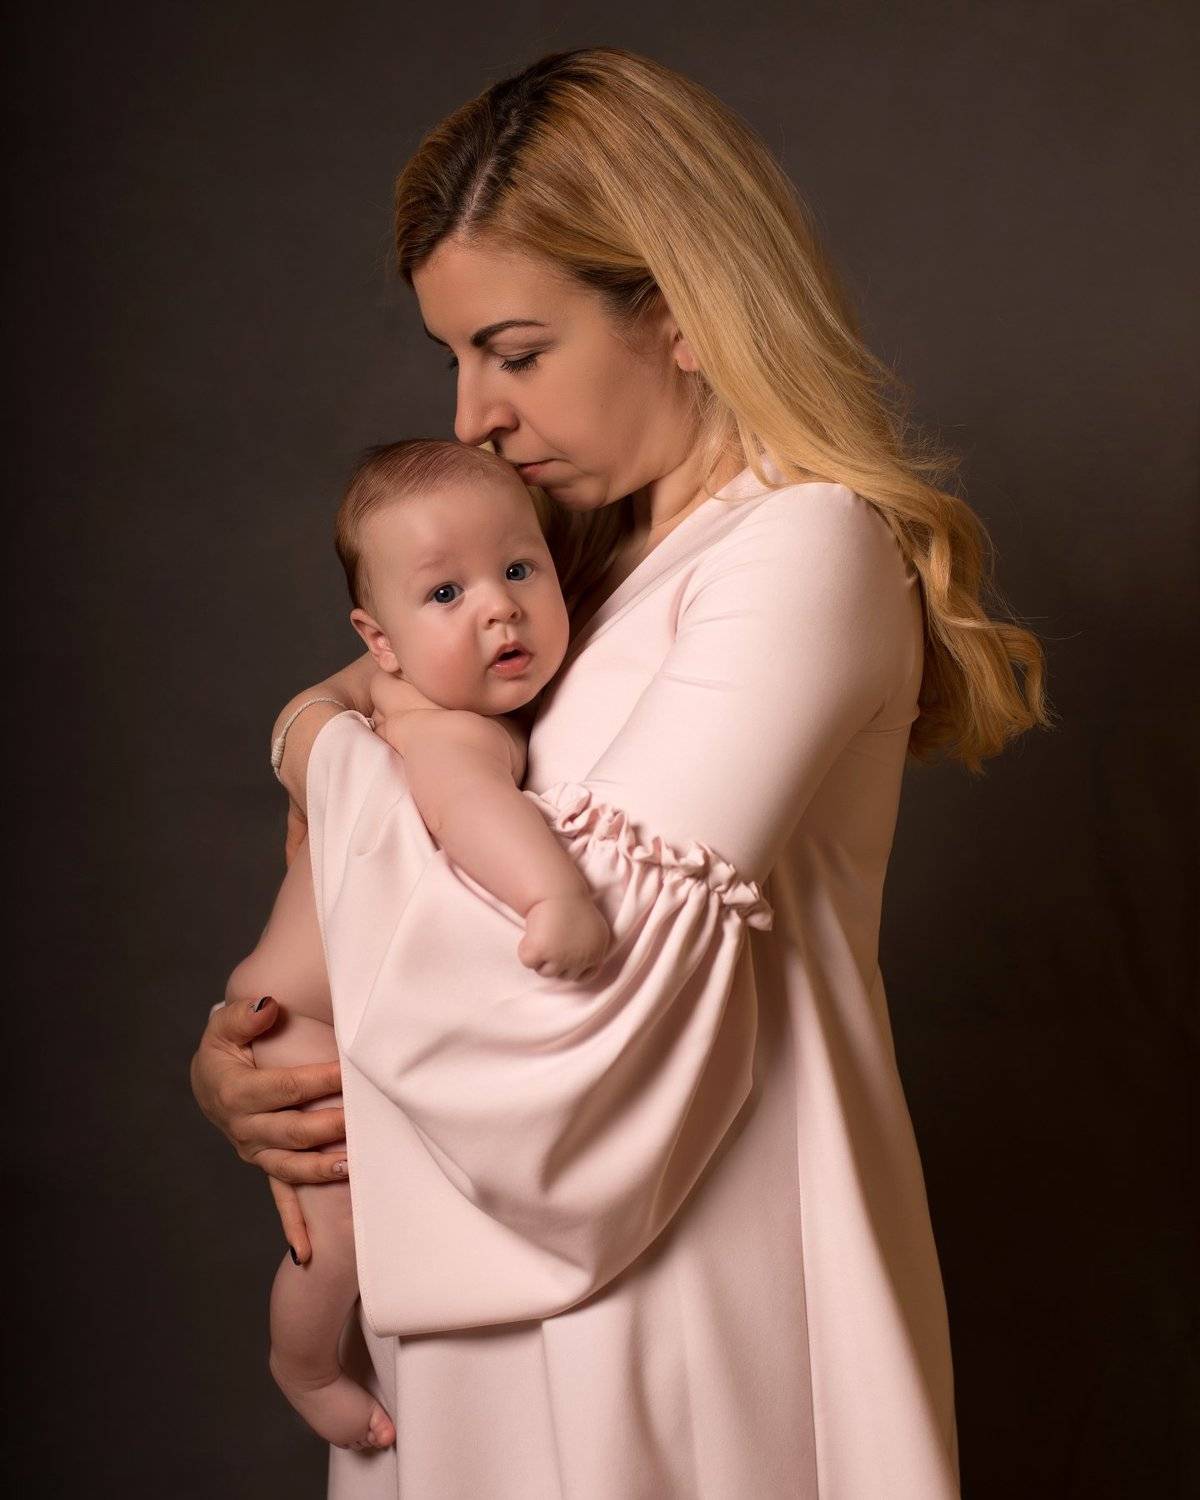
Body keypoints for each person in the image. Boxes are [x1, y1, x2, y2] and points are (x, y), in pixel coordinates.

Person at [191, 45, 1050, 1499]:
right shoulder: (560, 576)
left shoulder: (800, 552)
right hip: (484, 1319)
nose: (473, 417)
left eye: (516, 353)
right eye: (456, 359)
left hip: (678, 1319)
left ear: (684, 316)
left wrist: (316, 749)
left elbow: (569, 1023)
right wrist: (267, 1068)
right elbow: (366, 719)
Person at [224, 437, 612, 1450]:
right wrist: (554, 895)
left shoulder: (410, 693)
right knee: (337, 1233)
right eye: (446, 594)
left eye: (519, 570)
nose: (499, 610)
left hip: (309, 1007)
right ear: (380, 641)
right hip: (302, 1031)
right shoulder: (448, 727)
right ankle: (306, 1363)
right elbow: (471, 809)